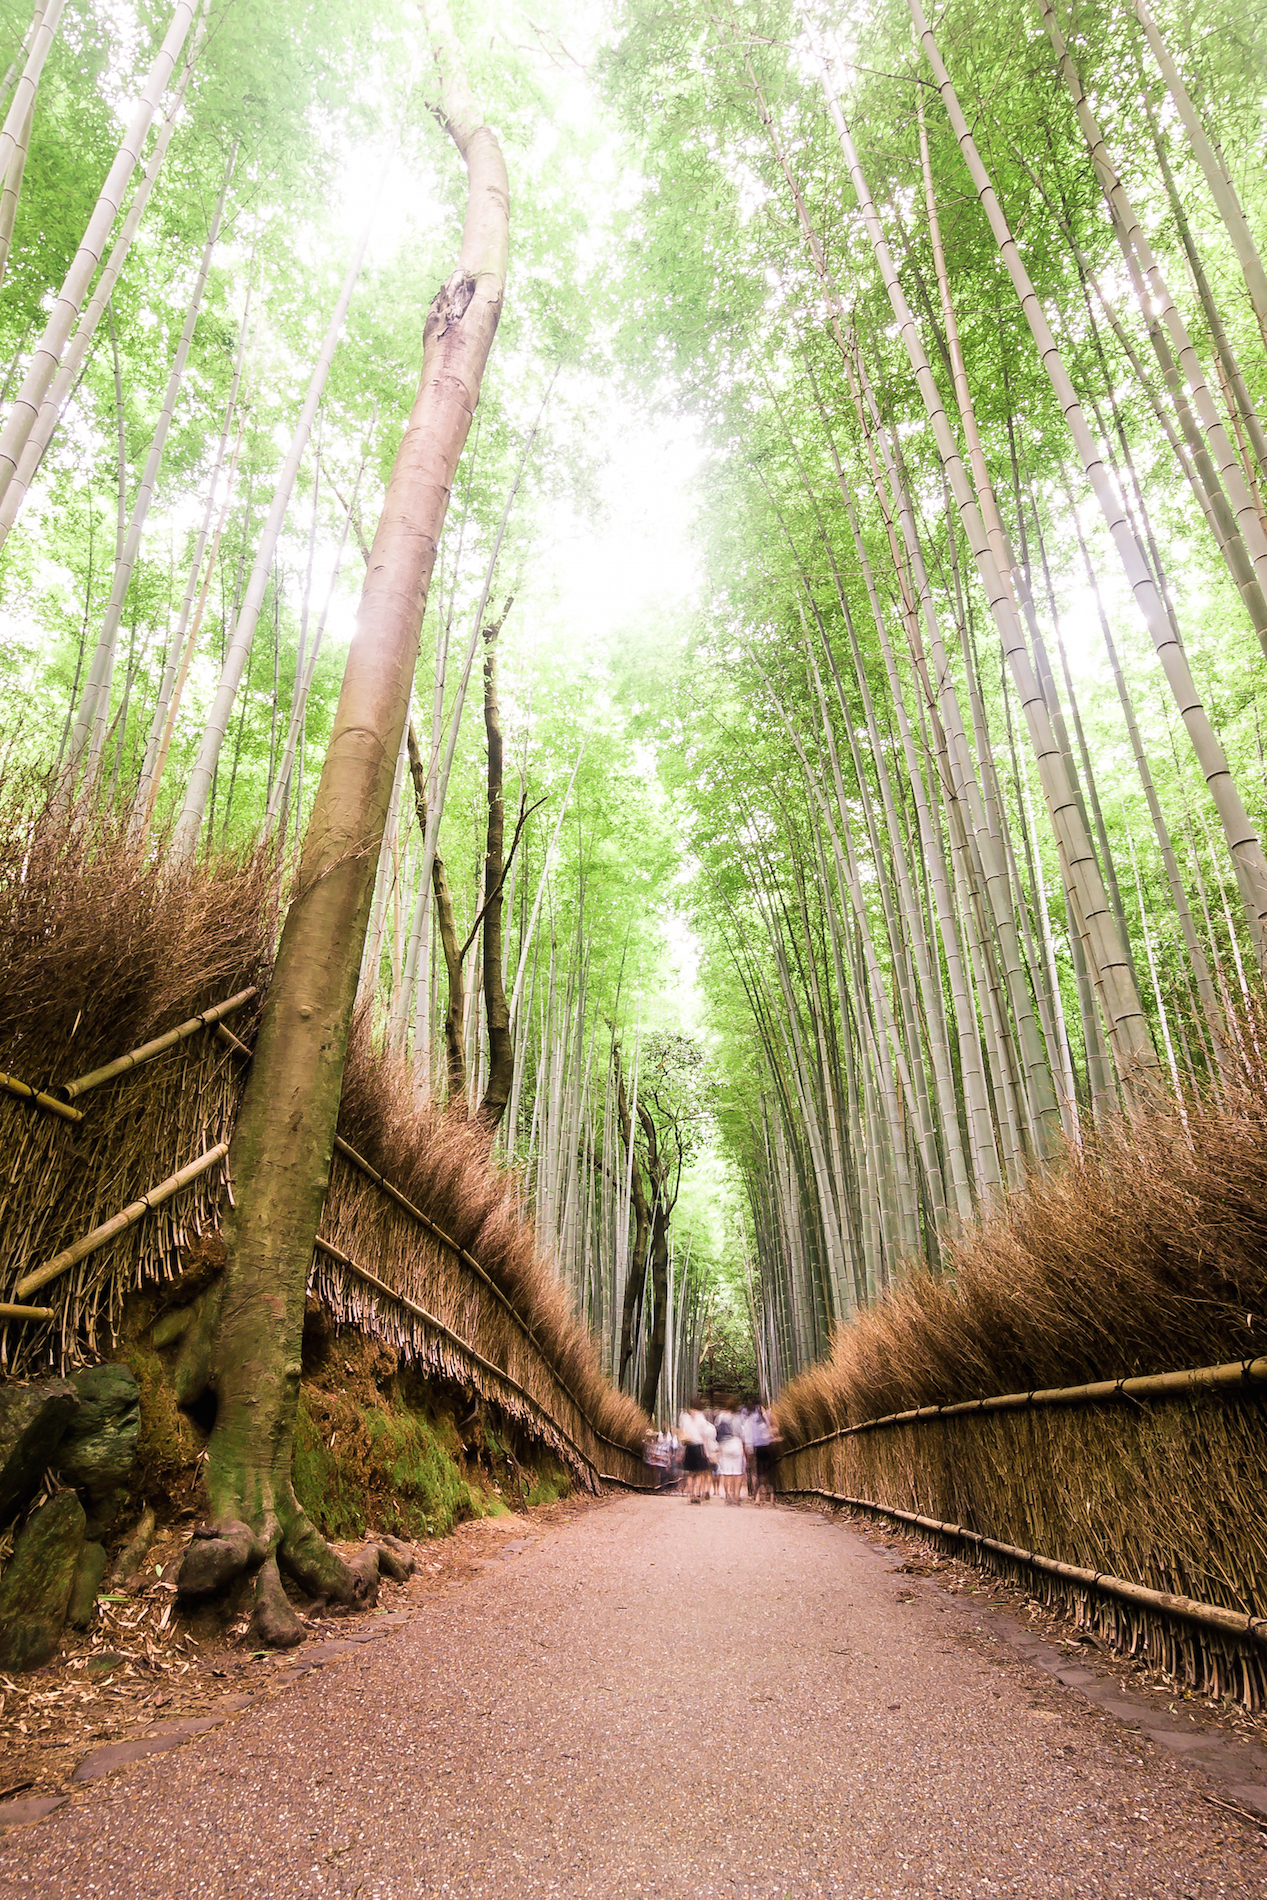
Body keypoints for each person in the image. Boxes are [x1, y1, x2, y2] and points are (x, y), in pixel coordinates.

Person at [677, 1400, 710, 1502]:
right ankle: (696, 1493)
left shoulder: (684, 1416)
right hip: (698, 1445)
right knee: (699, 1472)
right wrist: (706, 1451)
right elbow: (704, 1434)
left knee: (690, 1473)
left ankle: (691, 1494)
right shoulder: (701, 1417)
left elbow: (681, 1432)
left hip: (688, 1445)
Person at [715, 1405, 745, 1503]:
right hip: (736, 1443)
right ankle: (736, 1496)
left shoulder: (721, 1416)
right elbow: (742, 1432)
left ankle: (728, 1496)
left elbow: (717, 1431)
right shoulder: (739, 1417)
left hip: (725, 1445)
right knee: (737, 1472)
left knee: (726, 1472)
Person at [750, 1401, 776, 1505]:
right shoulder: (768, 1417)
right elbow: (774, 1430)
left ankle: (759, 1497)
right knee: (767, 1471)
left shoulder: (754, 1419)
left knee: (760, 1471)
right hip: (766, 1446)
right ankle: (769, 1497)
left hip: (759, 1447)